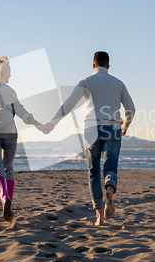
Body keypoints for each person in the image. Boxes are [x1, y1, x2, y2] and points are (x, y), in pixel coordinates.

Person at [44, 51, 135, 226]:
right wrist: (124, 126)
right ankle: (109, 188)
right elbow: (131, 109)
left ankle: (99, 217)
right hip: (114, 129)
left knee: (93, 172)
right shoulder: (119, 83)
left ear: (93, 66)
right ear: (108, 66)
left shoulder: (86, 81)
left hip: (92, 129)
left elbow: (69, 104)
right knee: (110, 168)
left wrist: (53, 122)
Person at [0, 56, 47, 224]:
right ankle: (7, 206)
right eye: (9, 72)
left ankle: (4, 199)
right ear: (4, 72)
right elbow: (20, 110)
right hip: (9, 134)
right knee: (8, 168)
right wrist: (37, 124)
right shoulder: (8, 90)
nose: (11, 75)